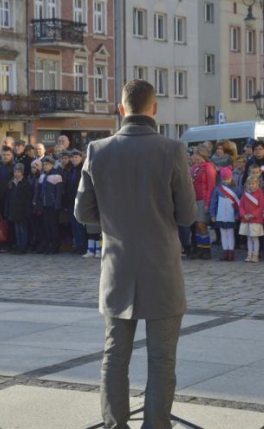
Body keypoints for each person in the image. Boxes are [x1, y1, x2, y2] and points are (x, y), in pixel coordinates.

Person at [74, 79, 197, 429]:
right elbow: (188, 215)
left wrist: (114, 219)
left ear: (121, 109)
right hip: (162, 269)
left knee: (115, 356)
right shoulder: (172, 149)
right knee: (162, 359)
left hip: (118, 267)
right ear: (154, 109)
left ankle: (116, 425)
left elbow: (82, 213)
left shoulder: (98, 149)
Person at [190, 144, 216, 259]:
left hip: (203, 198)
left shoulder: (208, 167)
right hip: (194, 199)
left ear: (201, 154)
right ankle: (200, 248)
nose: (193, 156)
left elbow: (211, 186)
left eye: (195, 153)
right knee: (196, 224)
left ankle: (206, 249)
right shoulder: (195, 167)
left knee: (201, 224)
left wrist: (207, 203)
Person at [209, 167, 240, 261]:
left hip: (231, 214)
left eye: (228, 179)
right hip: (220, 214)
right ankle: (225, 251)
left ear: (231, 178)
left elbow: (239, 203)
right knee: (223, 233)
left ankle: (231, 252)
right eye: (224, 179)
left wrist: (237, 214)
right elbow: (213, 202)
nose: (226, 181)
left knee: (230, 233)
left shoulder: (236, 189)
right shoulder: (217, 189)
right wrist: (213, 215)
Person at [36, 156, 63, 255]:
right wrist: (36, 200)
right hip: (44, 204)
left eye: (47, 164)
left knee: (53, 226)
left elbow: (59, 192)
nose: (45, 166)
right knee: (46, 226)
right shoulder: (43, 175)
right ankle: (49, 244)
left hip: (52, 204)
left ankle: (55, 245)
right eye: (44, 164)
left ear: (52, 165)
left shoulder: (56, 175)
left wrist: (57, 204)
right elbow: (38, 189)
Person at [5, 164, 32, 254]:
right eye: (15, 172)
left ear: (22, 173)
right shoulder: (12, 183)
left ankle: (23, 246)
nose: (16, 174)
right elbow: (9, 198)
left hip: (22, 210)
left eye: (18, 172)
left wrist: (27, 211)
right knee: (17, 229)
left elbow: (28, 199)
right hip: (14, 210)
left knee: (22, 229)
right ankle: (19, 245)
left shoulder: (26, 183)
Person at [65, 150, 86, 255]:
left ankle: (82, 245)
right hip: (71, 201)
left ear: (81, 158)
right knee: (73, 225)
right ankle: (77, 244)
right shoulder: (71, 170)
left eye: (76, 157)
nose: (74, 159)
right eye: (72, 157)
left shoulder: (83, 170)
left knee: (80, 225)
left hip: (80, 201)